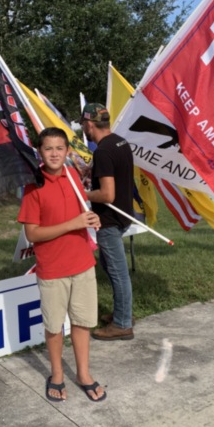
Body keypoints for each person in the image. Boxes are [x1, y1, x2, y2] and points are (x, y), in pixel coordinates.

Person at [17, 127, 107, 402]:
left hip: (82, 264)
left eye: (60, 148)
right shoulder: (34, 187)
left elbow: (82, 213)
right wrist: (74, 224)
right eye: (48, 148)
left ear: (68, 151)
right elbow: (32, 234)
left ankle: (83, 374)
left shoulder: (73, 177)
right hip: (53, 269)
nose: (55, 153)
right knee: (54, 326)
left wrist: (92, 220)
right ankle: (56, 375)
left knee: (82, 323)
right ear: (40, 152)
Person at [80, 103, 135, 341]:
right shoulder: (120, 142)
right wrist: (89, 171)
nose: (83, 128)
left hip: (110, 219)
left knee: (117, 272)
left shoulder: (102, 151)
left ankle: (123, 323)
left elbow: (107, 195)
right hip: (123, 215)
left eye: (83, 124)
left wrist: (81, 195)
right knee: (109, 265)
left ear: (90, 124)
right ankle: (123, 313)